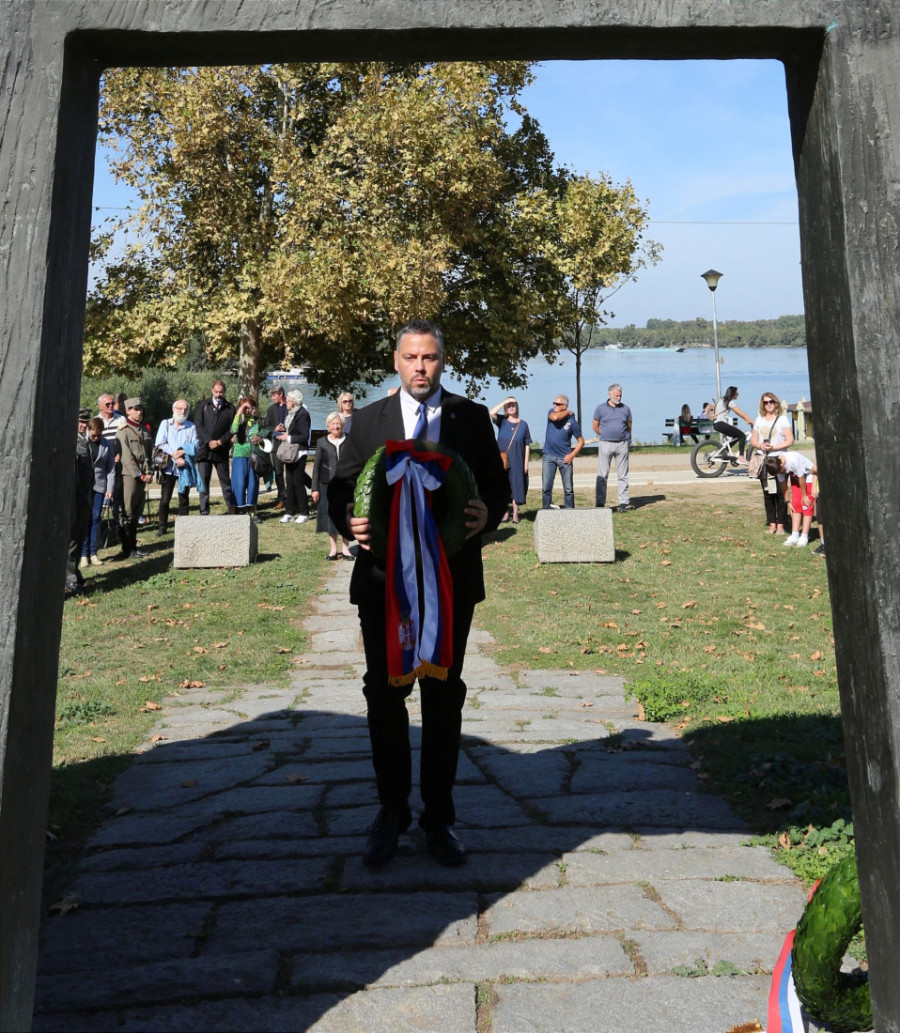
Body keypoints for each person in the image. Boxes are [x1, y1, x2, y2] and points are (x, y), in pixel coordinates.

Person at [329, 318, 507, 869]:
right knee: (384, 696)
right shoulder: (367, 421)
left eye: (429, 357)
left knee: (443, 695)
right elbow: (340, 486)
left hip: (452, 581)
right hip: (382, 583)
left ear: (442, 361)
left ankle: (439, 818)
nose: (420, 367)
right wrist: (349, 518)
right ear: (396, 361)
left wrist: (486, 513)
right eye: (411, 357)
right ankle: (390, 812)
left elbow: (497, 486)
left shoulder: (471, 417)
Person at [749, 392, 794, 534]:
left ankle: (781, 524)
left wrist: (774, 447)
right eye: (766, 402)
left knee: (781, 493)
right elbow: (753, 440)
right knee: (767, 493)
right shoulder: (759, 420)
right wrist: (760, 445)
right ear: (762, 405)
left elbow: (790, 440)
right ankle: (772, 524)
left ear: (776, 403)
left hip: (779, 460)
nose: (769, 404)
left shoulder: (782, 419)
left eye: (771, 402)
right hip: (764, 460)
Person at [154, 399, 200, 535]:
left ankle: (184, 528)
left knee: (184, 498)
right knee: (165, 499)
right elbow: (160, 443)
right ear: (173, 409)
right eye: (180, 408)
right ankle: (162, 527)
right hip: (169, 467)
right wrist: (175, 455)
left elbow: (195, 445)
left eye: (185, 409)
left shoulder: (191, 427)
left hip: (184, 468)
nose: (182, 411)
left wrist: (182, 452)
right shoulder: (165, 424)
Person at [311, 412, 353, 559]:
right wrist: (314, 489)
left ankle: (346, 549)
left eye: (338, 423)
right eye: (333, 424)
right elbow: (316, 467)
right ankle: (333, 550)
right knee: (330, 516)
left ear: (343, 425)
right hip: (326, 485)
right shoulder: (321, 442)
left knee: (346, 515)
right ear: (328, 426)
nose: (336, 426)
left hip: (346, 484)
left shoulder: (349, 440)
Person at [114, 397, 153, 559]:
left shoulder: (143, 429)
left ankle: (133, 547)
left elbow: (148, 454)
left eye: (140, 409)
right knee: (128, 512)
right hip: (129, 475)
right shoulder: (123, 431)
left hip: (143, 474)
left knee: (137, 512)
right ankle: (127, 548)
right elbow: (126, 456)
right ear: (127, 411)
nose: (139, 412)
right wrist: (139, 474)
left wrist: (150, 472)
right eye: (135, 409)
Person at [195, 380, 236, 515]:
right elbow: (198, 425)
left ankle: (232, 509)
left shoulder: (230, 408)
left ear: (224, 392)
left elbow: (232, 429)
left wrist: (220, 441)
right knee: (203, 482)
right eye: (216, 392)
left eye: (221, 392)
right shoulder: (203, 405)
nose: (218, 395)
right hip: (204, 450)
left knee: (226, 482)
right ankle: (204, 510)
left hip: (221, 450)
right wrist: (209, 441)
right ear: (212, 390)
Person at [489, 396, 532, 523]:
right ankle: (505, 513)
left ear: (517, 407)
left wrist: (526, 463)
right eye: (509, 406)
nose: (511, 407)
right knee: (503, 485)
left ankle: (516, 514)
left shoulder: (523, 424)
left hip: (518, 459)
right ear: (505, 408)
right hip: (502, 459)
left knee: (517, 485)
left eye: (513, 405)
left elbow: (527, 444)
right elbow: (491, 413)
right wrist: (505, 401)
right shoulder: (502, 421)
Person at [80, 416, 116, 566]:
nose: (95, 438)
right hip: (84, 486)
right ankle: (83, 554)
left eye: (98, 435)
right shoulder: (82, 442)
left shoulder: (107, 444)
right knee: (85, 519)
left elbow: (111, 468)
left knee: (95, 518)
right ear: (88, 431)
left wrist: (110, 488)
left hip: (100, 486)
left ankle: (93, 552)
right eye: (93, 435)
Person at [66, 412, 94, 596]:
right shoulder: (71, 441)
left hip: (84, 495)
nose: (83, 425)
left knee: (79, 535)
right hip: (74, 497)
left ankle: (75, 573)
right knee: (71, 538)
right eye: (80, 422)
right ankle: (69, 579)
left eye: (85, 422)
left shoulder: (84, 440)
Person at [593, 383, 633, 513]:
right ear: (609, 394)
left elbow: (629, 426)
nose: (619, 397)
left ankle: (623, 503)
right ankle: (600, 502)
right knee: (602, 474)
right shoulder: (600, 409)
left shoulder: (626, 409)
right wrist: (604, 434)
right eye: (616, 395)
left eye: (620, 395)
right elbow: (595, 426)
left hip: (622, 444)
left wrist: (627, 439)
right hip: (606, 444)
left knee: (623, 475)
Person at [765, 452, 818, 548]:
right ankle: (795, 535)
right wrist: (787, 501)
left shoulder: (793, 460)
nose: (781, 473)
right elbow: (782, 484)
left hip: (808, 476)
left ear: (782, 464)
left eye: (781, 471)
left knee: (806, 506)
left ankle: (804, 536)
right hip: (796, 478)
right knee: (796, 505)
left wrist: (804, 496)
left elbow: (801, 478)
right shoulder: (777, 466)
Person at [274, 388, 311, 524]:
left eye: (288, 401)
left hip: (299, 452)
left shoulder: (303, 414)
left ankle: (304, 512)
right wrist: (283, 431)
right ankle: (289, 512)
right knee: (289, 483)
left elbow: (304, 436)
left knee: (298, 483)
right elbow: (292, 430)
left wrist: (287, 437)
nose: (286, 403)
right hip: (290, 452)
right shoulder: (291, 414)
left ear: (294, 402)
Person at [542, 395, 584, 509]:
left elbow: (581, 441)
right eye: (554, 403)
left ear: (564, 406)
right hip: (548, 456)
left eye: (557, 404)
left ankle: (569, 510)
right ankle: (545, 510)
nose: (554, 405)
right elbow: (555, 418)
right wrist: (569, 412)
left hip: (564, 458)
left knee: (568, 489)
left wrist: (572, 455)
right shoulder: (551, 413)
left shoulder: (572, 422)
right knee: (546, 488)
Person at [230, 396, 264, 515]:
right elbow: (233, 430)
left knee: (253, 484)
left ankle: (252, 511)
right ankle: (239, 509)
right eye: (244, 408)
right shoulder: (237, 420)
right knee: (239, 483)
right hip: (239, 455)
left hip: (253, 455)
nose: (247, 410)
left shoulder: (257, 421)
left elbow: (263, 434)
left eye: (249, 408)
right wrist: (239, 413)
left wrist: (260, 439)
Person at [262, 385, 288, 509]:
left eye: (274, 395)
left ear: (280, 394)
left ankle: (295, 497)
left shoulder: (290, 406)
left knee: (292, 473)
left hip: (289, 444)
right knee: (278, 473)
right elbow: (266, 427)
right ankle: (281, 498)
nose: (272, 398)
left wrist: (285, 430)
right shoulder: (271, 409)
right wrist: (275, 429)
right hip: (276, 446)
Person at [713, 386, 753, 461]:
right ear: (733, 394)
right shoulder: (730, 402)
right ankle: (741, 457)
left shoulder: (721, 400)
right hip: (721, 424)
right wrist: (752, 422)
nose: (738, 394)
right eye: (737, 393)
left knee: (736, 436)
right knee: (742, 436)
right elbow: (741, 413)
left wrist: (746, 419)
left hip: (717, 424)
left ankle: (725, 450)